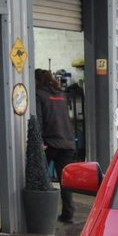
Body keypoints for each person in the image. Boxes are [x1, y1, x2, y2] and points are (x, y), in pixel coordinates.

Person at [35, 68, 77, 223]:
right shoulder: (61, 94)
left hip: (49, 143)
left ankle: (44, 214)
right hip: (67, 142)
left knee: (43, 179)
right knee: (65, 181)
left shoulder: (39, 95)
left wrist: (39, 141)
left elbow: (38, 120)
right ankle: (68, 213)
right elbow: (67, 118)